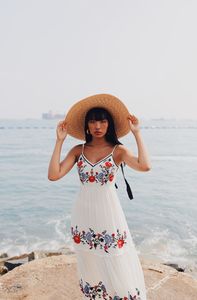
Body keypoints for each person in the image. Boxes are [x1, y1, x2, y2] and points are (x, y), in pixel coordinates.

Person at [48, 93, 151, 300]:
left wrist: (137, 134)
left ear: (109, 124)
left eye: (102, 121)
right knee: (90, 260)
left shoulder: (118, 151)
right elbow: (54, 175)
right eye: (93, 121)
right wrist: (59, 141)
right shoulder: (79, 150)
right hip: (83, 212)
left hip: (109, 212)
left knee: (115, 257)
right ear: (87, 125)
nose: (97, 125)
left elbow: (144, 165)